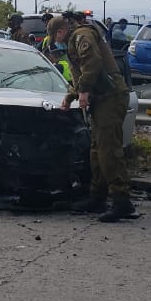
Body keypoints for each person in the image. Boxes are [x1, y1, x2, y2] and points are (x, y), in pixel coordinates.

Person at [49, 14, 133, 223]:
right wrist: (71, 96)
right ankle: (98, 197)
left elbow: (92, 63)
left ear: (60, 31)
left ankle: (122, 201)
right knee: (97, 150)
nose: (55, 41)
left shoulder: (82, 36)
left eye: (55, 36)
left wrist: (84, 92)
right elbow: (80, 74)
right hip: (102, 99)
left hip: (110, 98)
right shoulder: (75, 38)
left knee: (108, 149)